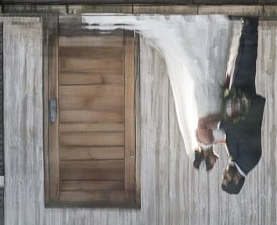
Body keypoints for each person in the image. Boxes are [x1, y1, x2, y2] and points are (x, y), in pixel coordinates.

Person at [79, 13, 234, 170]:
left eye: (213, 163)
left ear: (207, 159)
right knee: (207, 70)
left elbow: (203, 124)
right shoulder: (208, 142)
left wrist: (219, 119)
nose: (217, 161)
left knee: (207, 72)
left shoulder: (206, 141)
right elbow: (218, 134)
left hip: (208, 102)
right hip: (208, 102)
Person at [219, 17, 266, 195]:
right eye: (226, 177)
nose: (224, 173)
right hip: (246, 104)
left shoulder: (236, 159)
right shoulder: (249, 160)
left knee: (241, 64)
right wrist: (218, 125)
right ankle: (251, 25)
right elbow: (241, 132)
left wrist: (218, 136)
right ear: (236, 179)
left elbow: (231, 136)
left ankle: (247, 27)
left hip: (238, 104)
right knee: (246, 65)